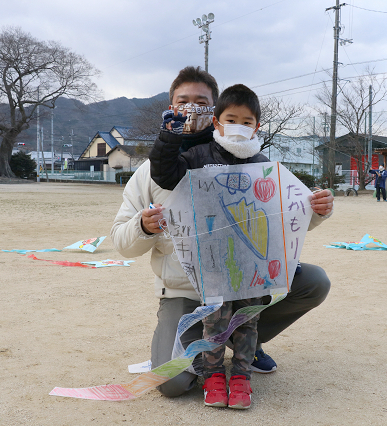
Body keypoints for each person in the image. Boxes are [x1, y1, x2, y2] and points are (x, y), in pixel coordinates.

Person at [110, 67, 333, 401]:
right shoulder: (153, 171)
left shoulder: (250, 160)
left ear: (214, 113)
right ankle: (203, 353)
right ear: (171, 106)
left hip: (240, 280)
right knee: (172, 385)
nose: (191, 109)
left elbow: (278, 217)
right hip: (186, 292)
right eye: (182, 102)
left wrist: (315, 209)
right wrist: (143, 226)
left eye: (201, 102)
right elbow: (121, 241)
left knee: (314, 281)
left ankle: (246, 343)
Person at [151, 84, 275, 409]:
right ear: (217, 123)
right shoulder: (198, 156)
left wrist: (313, 202)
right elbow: (164, 174)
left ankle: (242, 375)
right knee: (215, 319)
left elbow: (279, 205)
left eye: (246, 121)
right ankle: (213, 375)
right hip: (212, 262)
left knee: (248, 319)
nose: (238, 126)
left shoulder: (263, 165)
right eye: (230, 119)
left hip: (250, 261)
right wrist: (169, 134)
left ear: (256, 126)